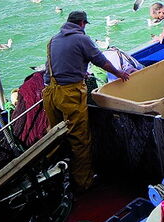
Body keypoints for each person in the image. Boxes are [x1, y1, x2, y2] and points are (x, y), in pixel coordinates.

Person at [42, 11, 131, 191]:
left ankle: (52, 178)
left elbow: (47, 71)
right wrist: (119, 73)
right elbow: (101, 61)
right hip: (69, 94)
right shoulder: (82, 39)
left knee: (54, 136)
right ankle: (84, 183)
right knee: (79, 139)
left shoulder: (53, 40)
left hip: (50, 93)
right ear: (82, 23)